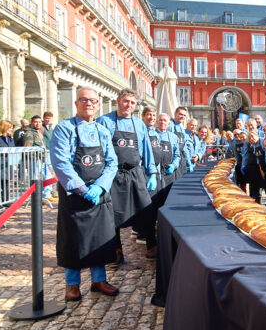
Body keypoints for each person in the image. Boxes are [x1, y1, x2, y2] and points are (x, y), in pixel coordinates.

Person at [49, 86, 119, 301]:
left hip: (99, 193)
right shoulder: (64, 129)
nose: (88, 103)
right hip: (75, 195)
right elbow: (60, 162)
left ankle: (99, 279)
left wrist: (100, 186)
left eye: (93, 101)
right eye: (83, 100)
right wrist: (81, 188)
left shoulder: (104, 131)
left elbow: (112, 162)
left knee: (100, 239)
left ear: (98, 105)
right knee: (74, 240)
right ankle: (72, 284)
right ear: (76, 103)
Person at [96, 88, 157, 267]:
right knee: (112, 213)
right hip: (113, 175)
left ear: (135, 105)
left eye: (132, 103)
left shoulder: (139, 124)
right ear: (118, 101)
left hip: (135, 172)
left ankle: (151, 246)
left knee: (146, 208)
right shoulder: (104, 121)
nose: (128, 105)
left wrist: (152, 172)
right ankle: (116, 252)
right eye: (125, 101)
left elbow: (146, 149)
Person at [140, 107, 180, 258]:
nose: (162, 122)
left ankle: (167, 241)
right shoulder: (151, 135)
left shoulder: (173, 137)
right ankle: (151, 245)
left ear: (169, 123)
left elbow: (177, 154)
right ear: (157, 122)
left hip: (169, 176)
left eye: (165, 120)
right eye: (160, 120)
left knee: (167, 209)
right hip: (153, 176)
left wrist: (174, 165)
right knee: (151, 211)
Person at [170, 107, 192, 180]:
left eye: (184, 115)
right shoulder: (169, 125)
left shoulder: (181, 128)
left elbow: (184, 147)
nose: (182, 117)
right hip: (171, 160)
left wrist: (188, 162)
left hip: (181, 160)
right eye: (180, 114)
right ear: (175, 114)